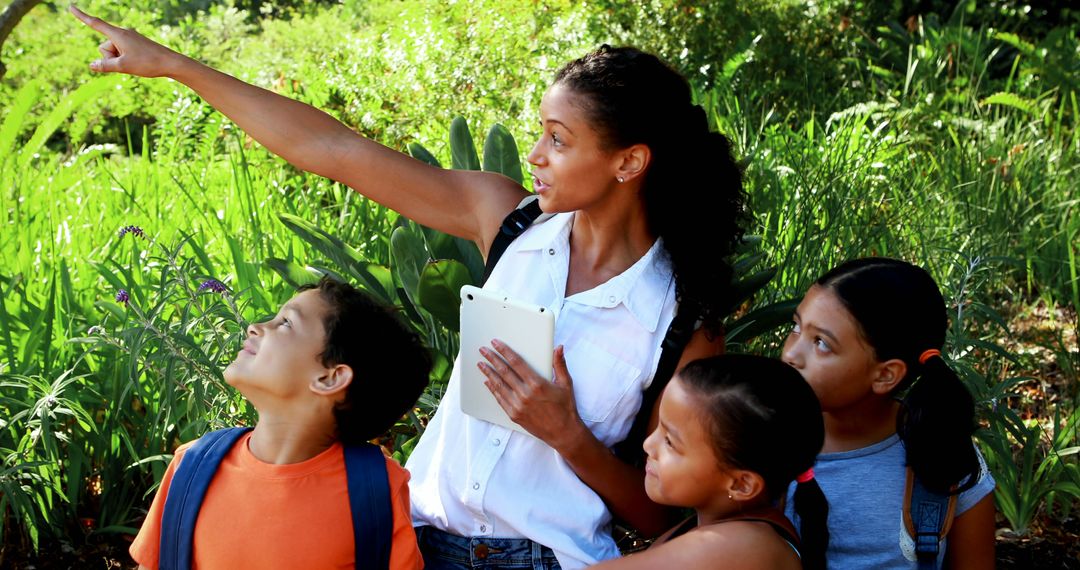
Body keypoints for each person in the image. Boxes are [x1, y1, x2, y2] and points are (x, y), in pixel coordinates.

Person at [70, 6, 748, 568]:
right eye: (539, 133)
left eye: (559, 141)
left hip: (550, 559)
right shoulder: (505, 223)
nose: (535, 155)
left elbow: (663, 512)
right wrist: (176, 65)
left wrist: (568, 437)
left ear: (629, 161)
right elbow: (333, 151)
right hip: (412, 540)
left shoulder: (683, 320)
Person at [127, 277, 432, 569]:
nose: (255, 327)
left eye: (286, 322)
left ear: (329, 378)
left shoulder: (375, 490)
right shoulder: (192, 467)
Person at [781, 257, 997, 569]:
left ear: (885, 375)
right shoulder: (759, 441)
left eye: (822, 343)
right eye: (795, 327)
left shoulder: (944, 455)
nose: (790, 353)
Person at [585, 355, 827, 570]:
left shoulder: (747, 546)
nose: (648, 444)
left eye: (670, 442)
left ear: (742, 484)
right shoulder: (701, 529)